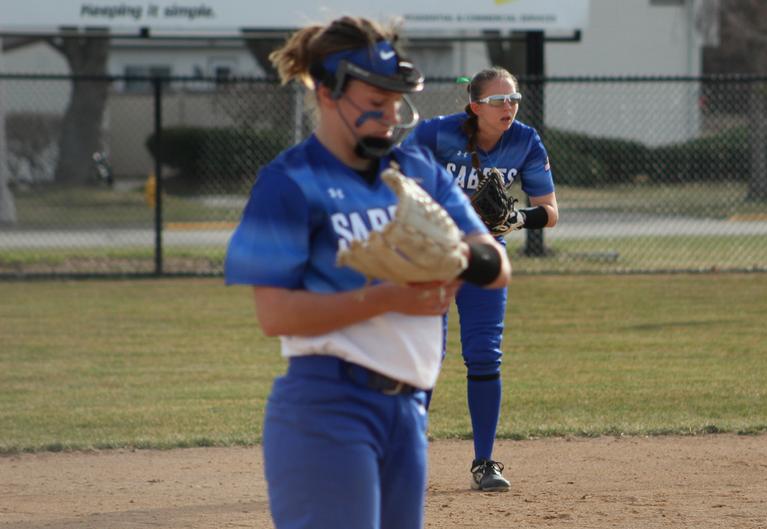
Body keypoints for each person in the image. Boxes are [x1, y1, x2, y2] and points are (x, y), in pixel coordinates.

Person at [224, 16, 511, 529]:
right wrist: (386, 295)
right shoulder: (287, 182)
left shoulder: (416, 173)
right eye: (375, 101)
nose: (390, 114)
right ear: (328, 93)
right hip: (326, 407)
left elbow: (495, 266)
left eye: (395, 101)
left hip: (406, 414)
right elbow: (274, 315)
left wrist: (453, 258)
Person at [404, 67, 558, 492]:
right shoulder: (436, 134)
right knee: (426, 357)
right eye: (498, 100)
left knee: (486, 355)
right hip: (431, 253)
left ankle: (485, 463)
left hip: (485, 255)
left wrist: (515, 218)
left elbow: (550, 210)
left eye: (513, 99)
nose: (508, 106)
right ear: (475, 106)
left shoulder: (525, 140)